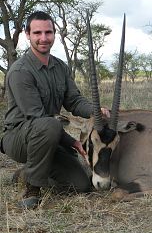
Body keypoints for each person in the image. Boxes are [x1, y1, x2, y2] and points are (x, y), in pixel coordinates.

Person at [0, 11, 109, 209]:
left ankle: (27, 173)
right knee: (49, 124)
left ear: (54, 34)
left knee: (81, 185)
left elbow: (74, 101)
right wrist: (74, 142)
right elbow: (38, 117)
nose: (43, 38)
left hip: (48, 135)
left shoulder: (60, 67)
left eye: (48, 32)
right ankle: (32, 189)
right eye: (37, 33)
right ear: (27, 34)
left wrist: (96, 111)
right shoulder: (19, 71)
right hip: (18, 138)